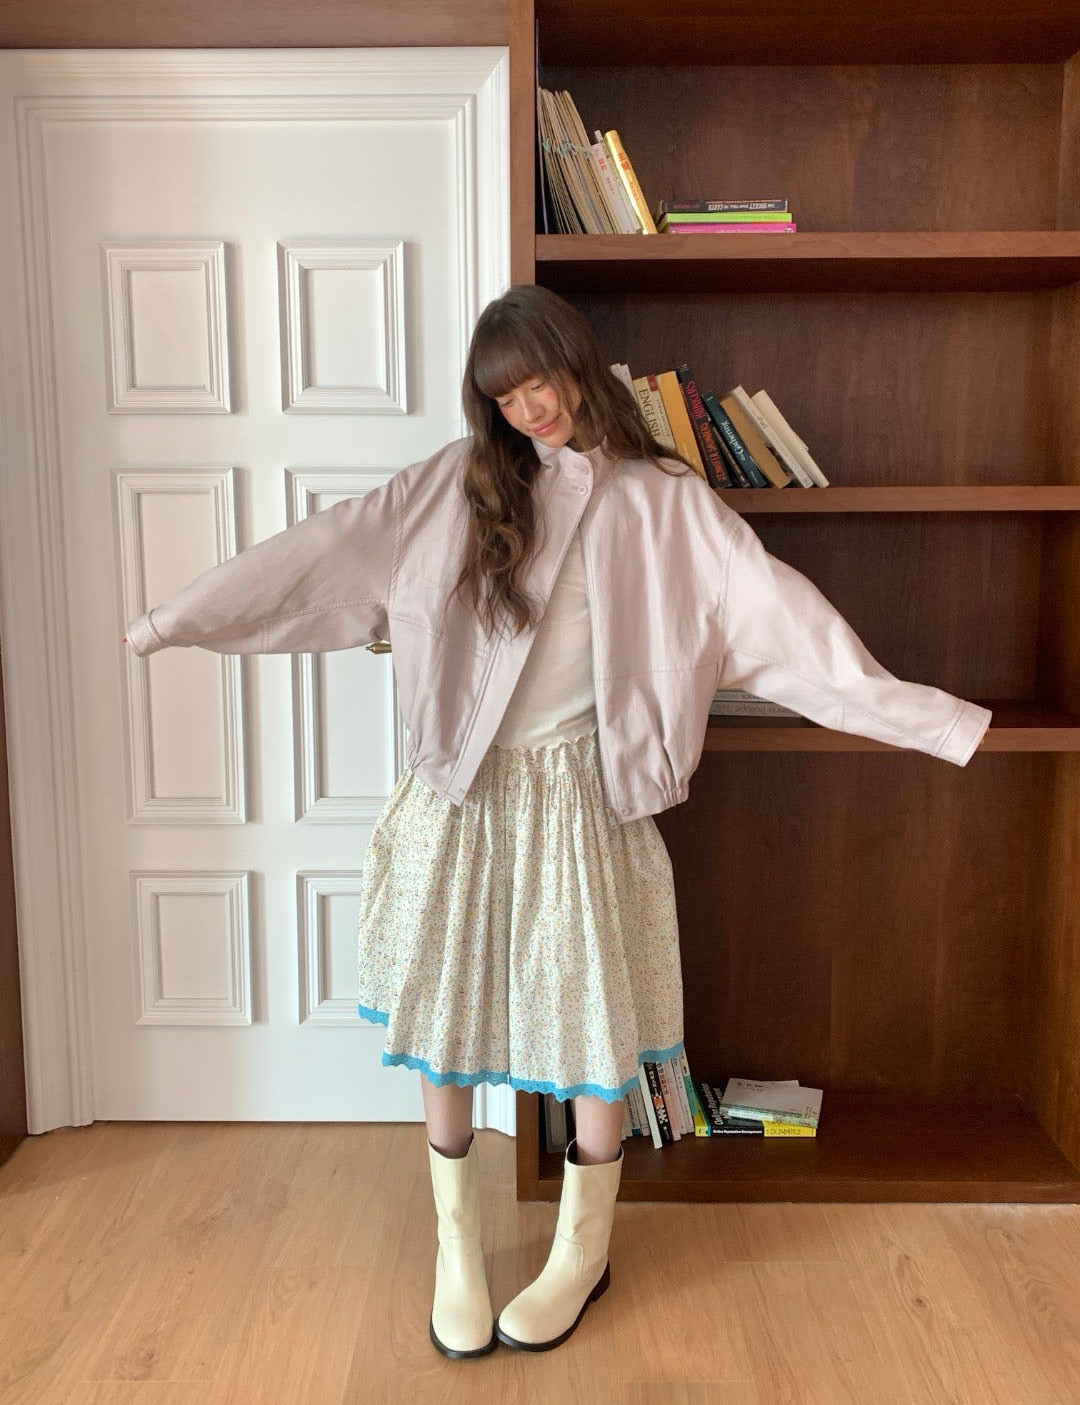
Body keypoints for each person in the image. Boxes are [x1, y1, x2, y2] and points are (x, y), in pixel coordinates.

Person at [124, 283, 992, 1359]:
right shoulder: (455, 486)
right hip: (460, 795)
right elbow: (317, 557)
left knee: (594, 1026)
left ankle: (583, 1252)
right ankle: (456, 1245)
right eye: (506, 395)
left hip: (584, 798)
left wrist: (931, 719)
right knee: (443, 1019)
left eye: (540, 381)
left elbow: (784, 623)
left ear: (578, 365)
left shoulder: (666, 501)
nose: (529, 408)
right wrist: (175, 619)